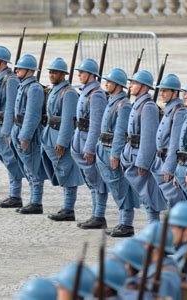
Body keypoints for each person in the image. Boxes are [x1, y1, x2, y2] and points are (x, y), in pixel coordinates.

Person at [95, 68, 139, 237]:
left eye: (110, 81)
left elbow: (120, 132)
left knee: (121, 187)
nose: (106, 83)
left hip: (111, 151)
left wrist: (115, 154)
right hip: (103, 148)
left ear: (118, 85)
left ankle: (126, 224)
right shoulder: (113, 101)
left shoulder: (123, 105)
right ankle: (122, 222)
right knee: (115, 187)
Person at [41, 57, 84, 221]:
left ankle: (68, 209)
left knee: (67, 171)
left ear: (63, 74)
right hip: (50, 134)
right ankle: (65, 207)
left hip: (60, 136)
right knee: (60, 171)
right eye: (50, 72)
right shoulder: (54, 90)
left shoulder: (69, 93)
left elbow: (68, 120)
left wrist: (62, 141)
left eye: (55, 72)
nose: (51, 75)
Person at [121, 70, 166, 223]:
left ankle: (154, 227)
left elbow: (149, 138)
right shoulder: (137, 104)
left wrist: (143, 163)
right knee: (144, 195)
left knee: (149, 194)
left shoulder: (148, 107)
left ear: (144, 87)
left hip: (140, 157)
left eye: (134, 83)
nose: (131, 86)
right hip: (131, 153)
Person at [71, 58, 108, 229]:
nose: (79, 74)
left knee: (96, 179)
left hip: (88, 140)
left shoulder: (97, 95)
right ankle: (95, 214)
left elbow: (96, 124)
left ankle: (99, 215)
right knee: (90, 179)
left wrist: (90, 147)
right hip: (80, 136)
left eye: (83, 72)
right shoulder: (86, 92)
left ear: (92, 75)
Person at [0, 45, 24, 208]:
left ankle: (15, 195)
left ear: (2, 61)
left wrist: (7, 131)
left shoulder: (11, 79)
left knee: (11, 160)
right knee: (6, 159)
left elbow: (10, 107)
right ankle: (13, 194)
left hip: (4, 125)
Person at [10, 54, 47, 214]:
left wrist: (25, 136)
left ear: (29, 70)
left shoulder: (34, 88)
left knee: (33, 168)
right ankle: (33, 200)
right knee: (26, 167)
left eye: (20, 68)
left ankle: (36, 202)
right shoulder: (23, 85)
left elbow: (32, 115)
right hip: (18, 127)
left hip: (28, 134)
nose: (16, 70)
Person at [150, 74, 186, 207]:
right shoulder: (170, 109)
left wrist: (169, 168)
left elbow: (175, 143)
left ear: (175, 92)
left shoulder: (179, 111)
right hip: (161, 161)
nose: (161, 93)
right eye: (161, 90)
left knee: (175, 200)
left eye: (165, 90)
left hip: (168, 162)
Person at [134, 222, 182, 300]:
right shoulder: (158, 268)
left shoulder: (164, 278)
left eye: (144, 243)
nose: (141, 247)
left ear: (155, 249)